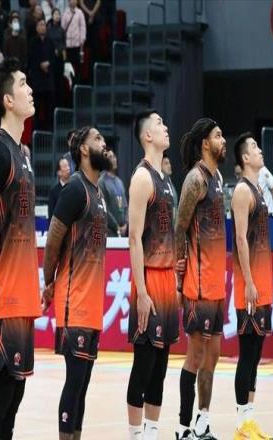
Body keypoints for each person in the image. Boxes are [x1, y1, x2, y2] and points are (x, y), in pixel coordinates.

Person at [0, 58, 41, 440]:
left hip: (23, 294)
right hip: (2, 296)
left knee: (15, 396)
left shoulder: (24, 154)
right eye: (23, 84)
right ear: (8, 100)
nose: (30, 90)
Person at [42, 126, 109, 439]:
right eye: (97, 139)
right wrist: (48, 282)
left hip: (92, 306)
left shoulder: (98, 192)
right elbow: (53, 240)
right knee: (74, 382)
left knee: (83, 386)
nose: (103, 143)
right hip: (75, 303)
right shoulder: (74, 189)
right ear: (83, 149)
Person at [127, 110, 179, 440]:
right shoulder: (143, 178)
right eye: (159, 123)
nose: (166, 127)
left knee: (160, 366)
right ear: (147, 136)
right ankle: (135, 433)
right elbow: (134, 238)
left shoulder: (166, 180)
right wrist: (142, 292)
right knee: (144, 364)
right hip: (148, 278)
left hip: (167, 279)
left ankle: (152, 432)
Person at [175, 118, 226, 440]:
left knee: (214, 354)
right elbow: (180, 227)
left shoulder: (217, 177)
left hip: (217, 283)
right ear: (205, 143)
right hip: (199, 283)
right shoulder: (196, 178)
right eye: (218, 136)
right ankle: (182, 427)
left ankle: (202, 421)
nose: (223, 140)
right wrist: (180, 279)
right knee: (195, 355)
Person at [231, 132, 273, 440]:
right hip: (249, 283)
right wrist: (247, 280)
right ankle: (240, 423)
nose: (260, 150)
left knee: (256, 353)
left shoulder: (258, 189)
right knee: (247, 353)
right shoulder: (242, 191)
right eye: (255, 148)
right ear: (245, 158)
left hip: (263, 281)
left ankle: (249, 419)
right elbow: (240, 239)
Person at [28, 18, 55, 130]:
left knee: (49, 107)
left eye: (44, 25)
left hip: (48, 79)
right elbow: (30, 59)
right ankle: (37, 130)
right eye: (40, 25)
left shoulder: (50, 42)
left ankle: (49, 129)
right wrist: (40, 64)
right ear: (36, 28)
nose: (43, 27)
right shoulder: (33, 42)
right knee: (37, 107)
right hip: (37, 80)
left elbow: (54, 58)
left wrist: (48, 63)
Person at [99, 149, 128, 237]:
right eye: (110, 157)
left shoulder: (119, 182)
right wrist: (116, 226)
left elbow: (125, 206)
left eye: (114, 157)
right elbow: (104, 209)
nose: (114, 159)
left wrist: (126, 224)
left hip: (123, 231)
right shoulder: (102, 182)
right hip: (109, 232)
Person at [61, 0, 86, 83]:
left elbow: (82, 28)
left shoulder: (80, 13)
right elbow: (62, 29)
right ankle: (70, 85)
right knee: (68, 67)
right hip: (67, 45)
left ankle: (77, 84)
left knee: (78, 67)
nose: (74, 1)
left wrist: (82, 41)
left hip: (77, 45)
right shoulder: (65, 13)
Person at [161, 154, 178, 224]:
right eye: (166, 163)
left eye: (169, 163)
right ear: (160, 166)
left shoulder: (170, 183)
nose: (169, 166)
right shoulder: (160, 184)